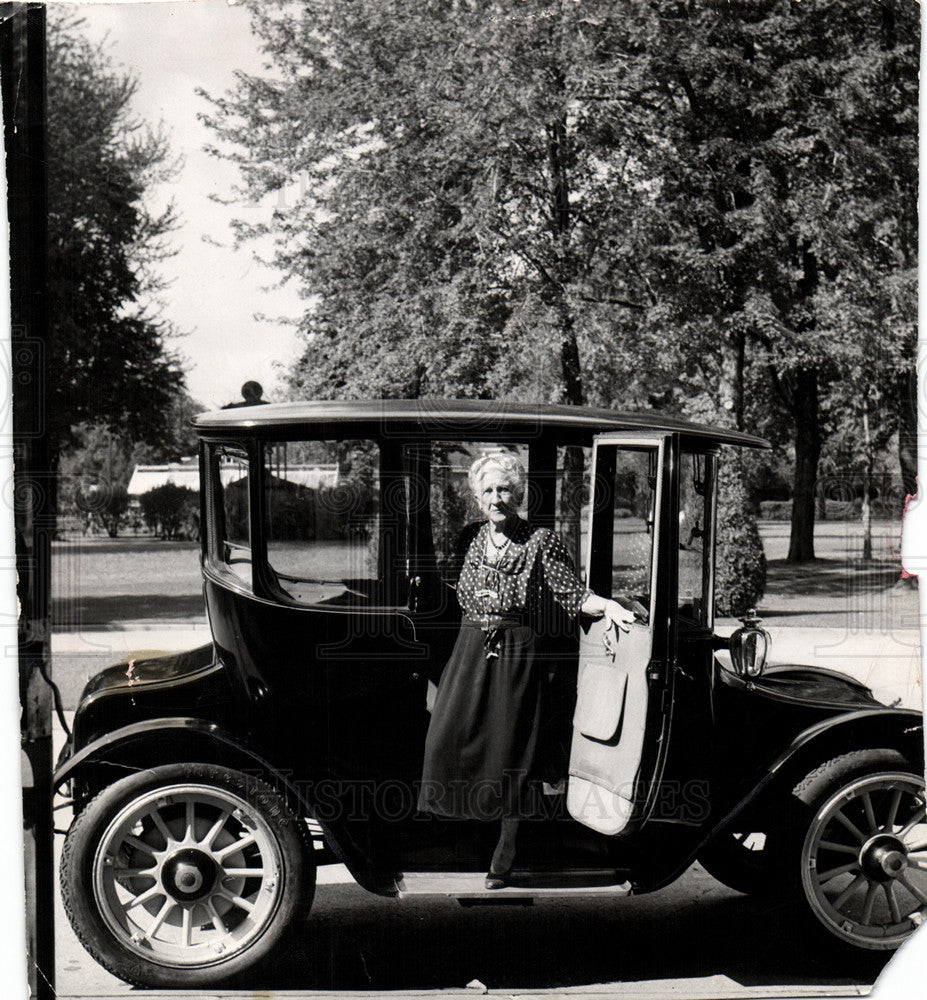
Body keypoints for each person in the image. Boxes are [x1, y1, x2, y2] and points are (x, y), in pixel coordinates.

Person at [417, 450, 636, 888]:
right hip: (469, 647)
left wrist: (609, 605)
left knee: (510, 750)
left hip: (517, 654)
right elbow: (453, 589)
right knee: (446, 740)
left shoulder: (541, 540)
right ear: (477, 498)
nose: (496, 498)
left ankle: (507, 843)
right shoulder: (471, 538)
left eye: (504, 489)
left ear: (517, 494)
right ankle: (463, 826)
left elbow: (572, 594)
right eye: (488, 490)